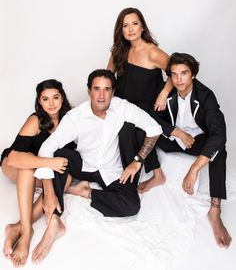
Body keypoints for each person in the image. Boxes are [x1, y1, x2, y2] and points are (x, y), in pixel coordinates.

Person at [32, 69, 162, 263]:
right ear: (89, 91)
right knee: (59, 155)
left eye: (107, 89)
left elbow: (154, 128)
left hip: (111, 169)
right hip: (84, 164)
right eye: (97, 89)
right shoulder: (75, 117)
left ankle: (84, 191)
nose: (101, 95)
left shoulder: (122, 107)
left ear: (113, 92)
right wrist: (49, 190)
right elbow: (46, 148)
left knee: (132, 206)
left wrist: (137, 161)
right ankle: (54, 223)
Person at [154, 52, 232, 248]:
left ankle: (215, 210)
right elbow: (150, 116)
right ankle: (153, 176)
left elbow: (219, 133)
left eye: (184, 73)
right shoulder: (166, 93)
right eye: (174, 74)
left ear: (193, 75)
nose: (179, 79)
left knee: (219, 150)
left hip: (197, 140)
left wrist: (194, 169)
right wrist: (178, 132)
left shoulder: (205, 96)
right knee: (139, 130)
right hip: (174, 138)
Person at [1, 79, 73, 267]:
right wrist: (49, 162)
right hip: (17, 165)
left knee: (66, 180)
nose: (51, 104)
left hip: (41, 171)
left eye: (55, 97)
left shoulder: (70, 118)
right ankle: (26, 234)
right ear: (39, 101)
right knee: (27, 169)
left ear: (62, 97)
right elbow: (15, 158)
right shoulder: (36, 120)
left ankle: (17, 227)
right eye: (45, 99)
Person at [107, 7, 172, 192]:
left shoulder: (153, 52)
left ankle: (146, 178)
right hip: (122, 103)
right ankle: (122, 176)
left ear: (142, 26)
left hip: (147, 106)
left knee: (131, 130)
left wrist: (163, 93)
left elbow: (175, 73)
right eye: (125, 25)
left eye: (134, 24)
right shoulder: (119, 51)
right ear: (120, 30)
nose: (130, 29)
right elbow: (108, 76)